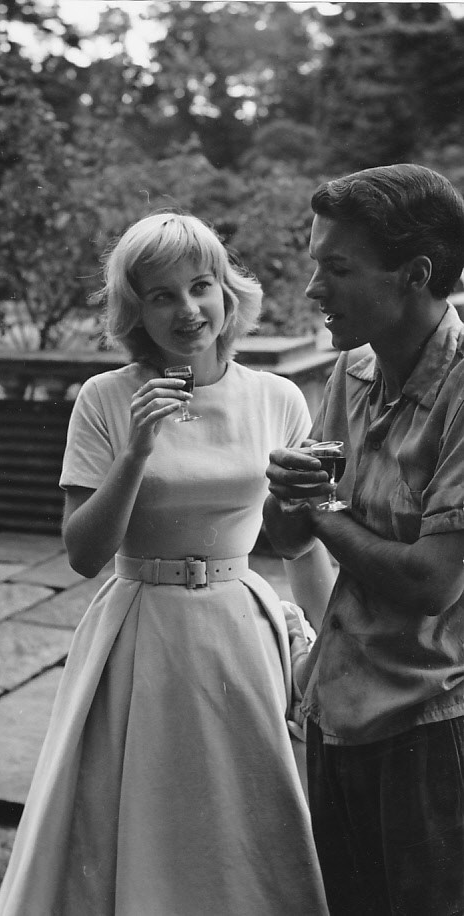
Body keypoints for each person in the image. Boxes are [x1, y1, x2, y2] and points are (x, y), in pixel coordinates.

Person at [0, 212, 330, 915]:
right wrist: (138, 449)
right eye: (161, 295)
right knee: (139, 812)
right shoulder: (105, 397)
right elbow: (84, 553)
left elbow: (303, 540)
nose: (187, 309)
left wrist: (327, 652)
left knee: (247, 818)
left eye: (200, 286)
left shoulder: (276, 398)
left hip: (241, 630)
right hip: (140, 630)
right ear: (136, 311)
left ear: (227, 292)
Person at [263, 164, 464, 916]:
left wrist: (317, 509)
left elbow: (430, 582)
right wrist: (288, 493)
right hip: (336, 711)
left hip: (431, 726)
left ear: (415, 274)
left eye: (338, 269)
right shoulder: (352, 369)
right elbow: (290, 535)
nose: (314, 290)